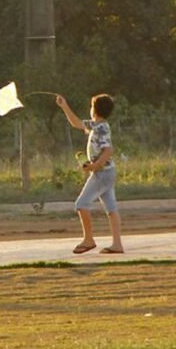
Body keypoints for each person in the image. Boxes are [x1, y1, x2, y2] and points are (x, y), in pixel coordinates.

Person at [56, 94, 124, 254]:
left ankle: (89, 240)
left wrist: (94, 166)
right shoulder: (96, 125)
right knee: (111, 209)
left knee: (81, 204)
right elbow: (76, 123)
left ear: (95, 110)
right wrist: (64, 106)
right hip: (107, 172)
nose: (90, 109)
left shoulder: (101, 128)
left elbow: (108, 150)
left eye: (91, 106)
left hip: (102, 173)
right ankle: (117, 245)